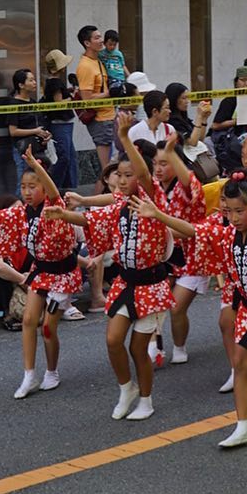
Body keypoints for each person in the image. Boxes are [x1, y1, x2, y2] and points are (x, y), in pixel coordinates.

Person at [139, 157, 247, 448]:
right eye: (229, 211)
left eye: (241, 211)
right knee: (240, 364)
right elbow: (192, 230)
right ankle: (243, 425)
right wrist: (158, 215)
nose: (235, 217)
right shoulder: (226, 233)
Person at [45, 114, 174, 421]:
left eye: (130, 175)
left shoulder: (152, 201)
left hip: (151, 285)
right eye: (121, 175)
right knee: (113, 340)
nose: (124, 180)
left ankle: (146, 400)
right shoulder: (118, 206)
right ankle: (126, 388)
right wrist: (62, 215)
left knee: (138, 349)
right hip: (126, 283)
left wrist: (125, 137)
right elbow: (91, 219)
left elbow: (144, 175)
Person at [0, 147, 82, 399]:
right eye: (23, 187)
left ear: (44, 187)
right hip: (41, 271)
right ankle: (29, 375)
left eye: (33, 186)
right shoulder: (22, 211)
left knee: (48, 328)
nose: (27, 192)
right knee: (28, 320)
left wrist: (35, 165)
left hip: (62, 274)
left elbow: (53, 191)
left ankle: (52, 372)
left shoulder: (55, 206)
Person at [153, 133, 207, 364]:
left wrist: (171, 151)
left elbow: (188, 183)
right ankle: (156, 348)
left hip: (192, 257)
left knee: (176, 307)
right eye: (155, 163)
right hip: (163, 256)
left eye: (164, 163)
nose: (158, 168)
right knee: (154, 306)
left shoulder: (186, 185)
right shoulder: (153, 187)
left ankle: (179, 346)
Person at [76, 25, 116, 174]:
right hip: (100, 120)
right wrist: (110, 94)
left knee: (112, 168)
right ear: (87, 43)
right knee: (108, 170)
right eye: (97, 38)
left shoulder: (98, 61)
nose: (101, 41)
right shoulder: (85, 66)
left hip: (110, 116)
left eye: (101, 37)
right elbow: (87, 99)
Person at [7, 69, 51, 195]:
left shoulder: (33, 102)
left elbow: (39, 124)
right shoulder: (14, 104)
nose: (34, 83)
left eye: (34, 79)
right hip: (23, 151)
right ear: (21, 85)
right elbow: (13, 131)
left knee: (39, 181)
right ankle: (20, 205)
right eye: (30, 80)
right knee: (24, 181)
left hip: (38, 149)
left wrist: (46, 134)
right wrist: (35, 131)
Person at [41, 76, 78, 192]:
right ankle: (56, 186)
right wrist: (71, 98)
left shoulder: (51, 84)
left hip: (62, 124)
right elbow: (59, 103)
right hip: (60, 124)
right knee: (65, 157)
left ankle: (64, 186)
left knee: (69, 157)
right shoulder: (55, 83)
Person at [164, 82, 211, 147]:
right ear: (174, 99)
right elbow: (192, 142)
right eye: (183, 98)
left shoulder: (183, 118)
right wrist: (199, 116)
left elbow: (200, 139)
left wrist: (204, 119)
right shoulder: (172, 120)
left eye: (187, 98)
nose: (187, 101)